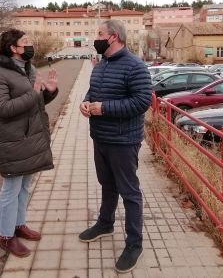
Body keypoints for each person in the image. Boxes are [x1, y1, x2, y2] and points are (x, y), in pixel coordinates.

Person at [79, 20, 152, 273]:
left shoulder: (135, 66)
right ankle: (105, 223)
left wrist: (104, 108)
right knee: (107, 185)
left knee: (129, 192)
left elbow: (143, 101)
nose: (95, 38)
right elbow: (92, 92)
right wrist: (86, 104)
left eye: (99, 34)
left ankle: (134, 244)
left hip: (123, 141)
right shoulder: (100, 66)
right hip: (100, 137)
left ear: (113, 37)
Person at [0, 29, 58, 258]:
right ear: (13, 48)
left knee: (25, 186)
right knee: (11, 189)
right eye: (24, 42)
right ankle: (5, 236)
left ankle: (19, 225)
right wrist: (33, 94)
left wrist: (50, 91)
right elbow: (2, 109)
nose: (29, 45)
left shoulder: (29, 68)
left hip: (32, 139)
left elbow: (37, 101)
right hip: (15, 141)